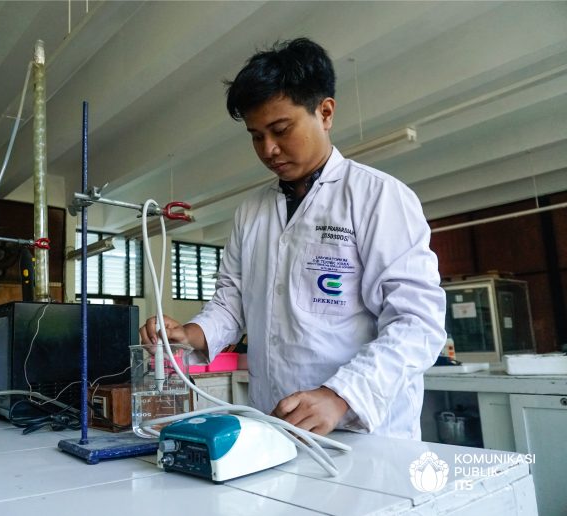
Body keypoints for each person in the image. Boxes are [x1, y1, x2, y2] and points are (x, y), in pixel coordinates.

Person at [140, 38, 446, 440]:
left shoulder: (378, 197)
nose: (268, 149)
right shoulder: (251, 212)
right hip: (276, 424)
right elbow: (231, 303)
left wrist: (341, 395)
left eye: (281, 130)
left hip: (362, 430)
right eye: (255, 136)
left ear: (325, 112)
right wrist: (191, 334)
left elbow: (417, 322)